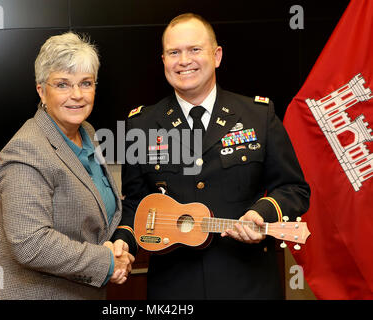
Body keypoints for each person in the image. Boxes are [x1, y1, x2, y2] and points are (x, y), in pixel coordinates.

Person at [114, 13, 310, 299]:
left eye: (195, 49)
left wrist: (262, 213)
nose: (184, 61)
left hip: (248, 284)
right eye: (174, 52)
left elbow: (294, 189)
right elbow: (135, 203)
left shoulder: (257, 115)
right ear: (164, 61)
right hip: (174, 288)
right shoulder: (142, 124)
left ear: (216, 56)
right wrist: (122, 242)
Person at [0, 32, 134, 300]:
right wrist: (106, 262)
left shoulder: (87, 131)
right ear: (41, 90)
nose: (77, 95)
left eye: (86, 83)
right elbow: (30, 243)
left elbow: (100, 209)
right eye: (62, 84)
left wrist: (118, 243)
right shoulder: (26, 150)